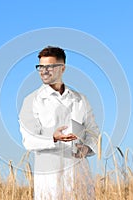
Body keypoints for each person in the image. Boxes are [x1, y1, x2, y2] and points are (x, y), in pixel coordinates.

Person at [19, 46, 100, 200]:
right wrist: (53, 138)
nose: (44, 71)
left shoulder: (80, 99)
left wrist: (87, 148)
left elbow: (93, 131)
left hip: (79, 175)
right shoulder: (31, 101)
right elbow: (28, 140)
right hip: (49, 177)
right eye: (40, 67)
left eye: (49, 67)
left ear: (62, 68)